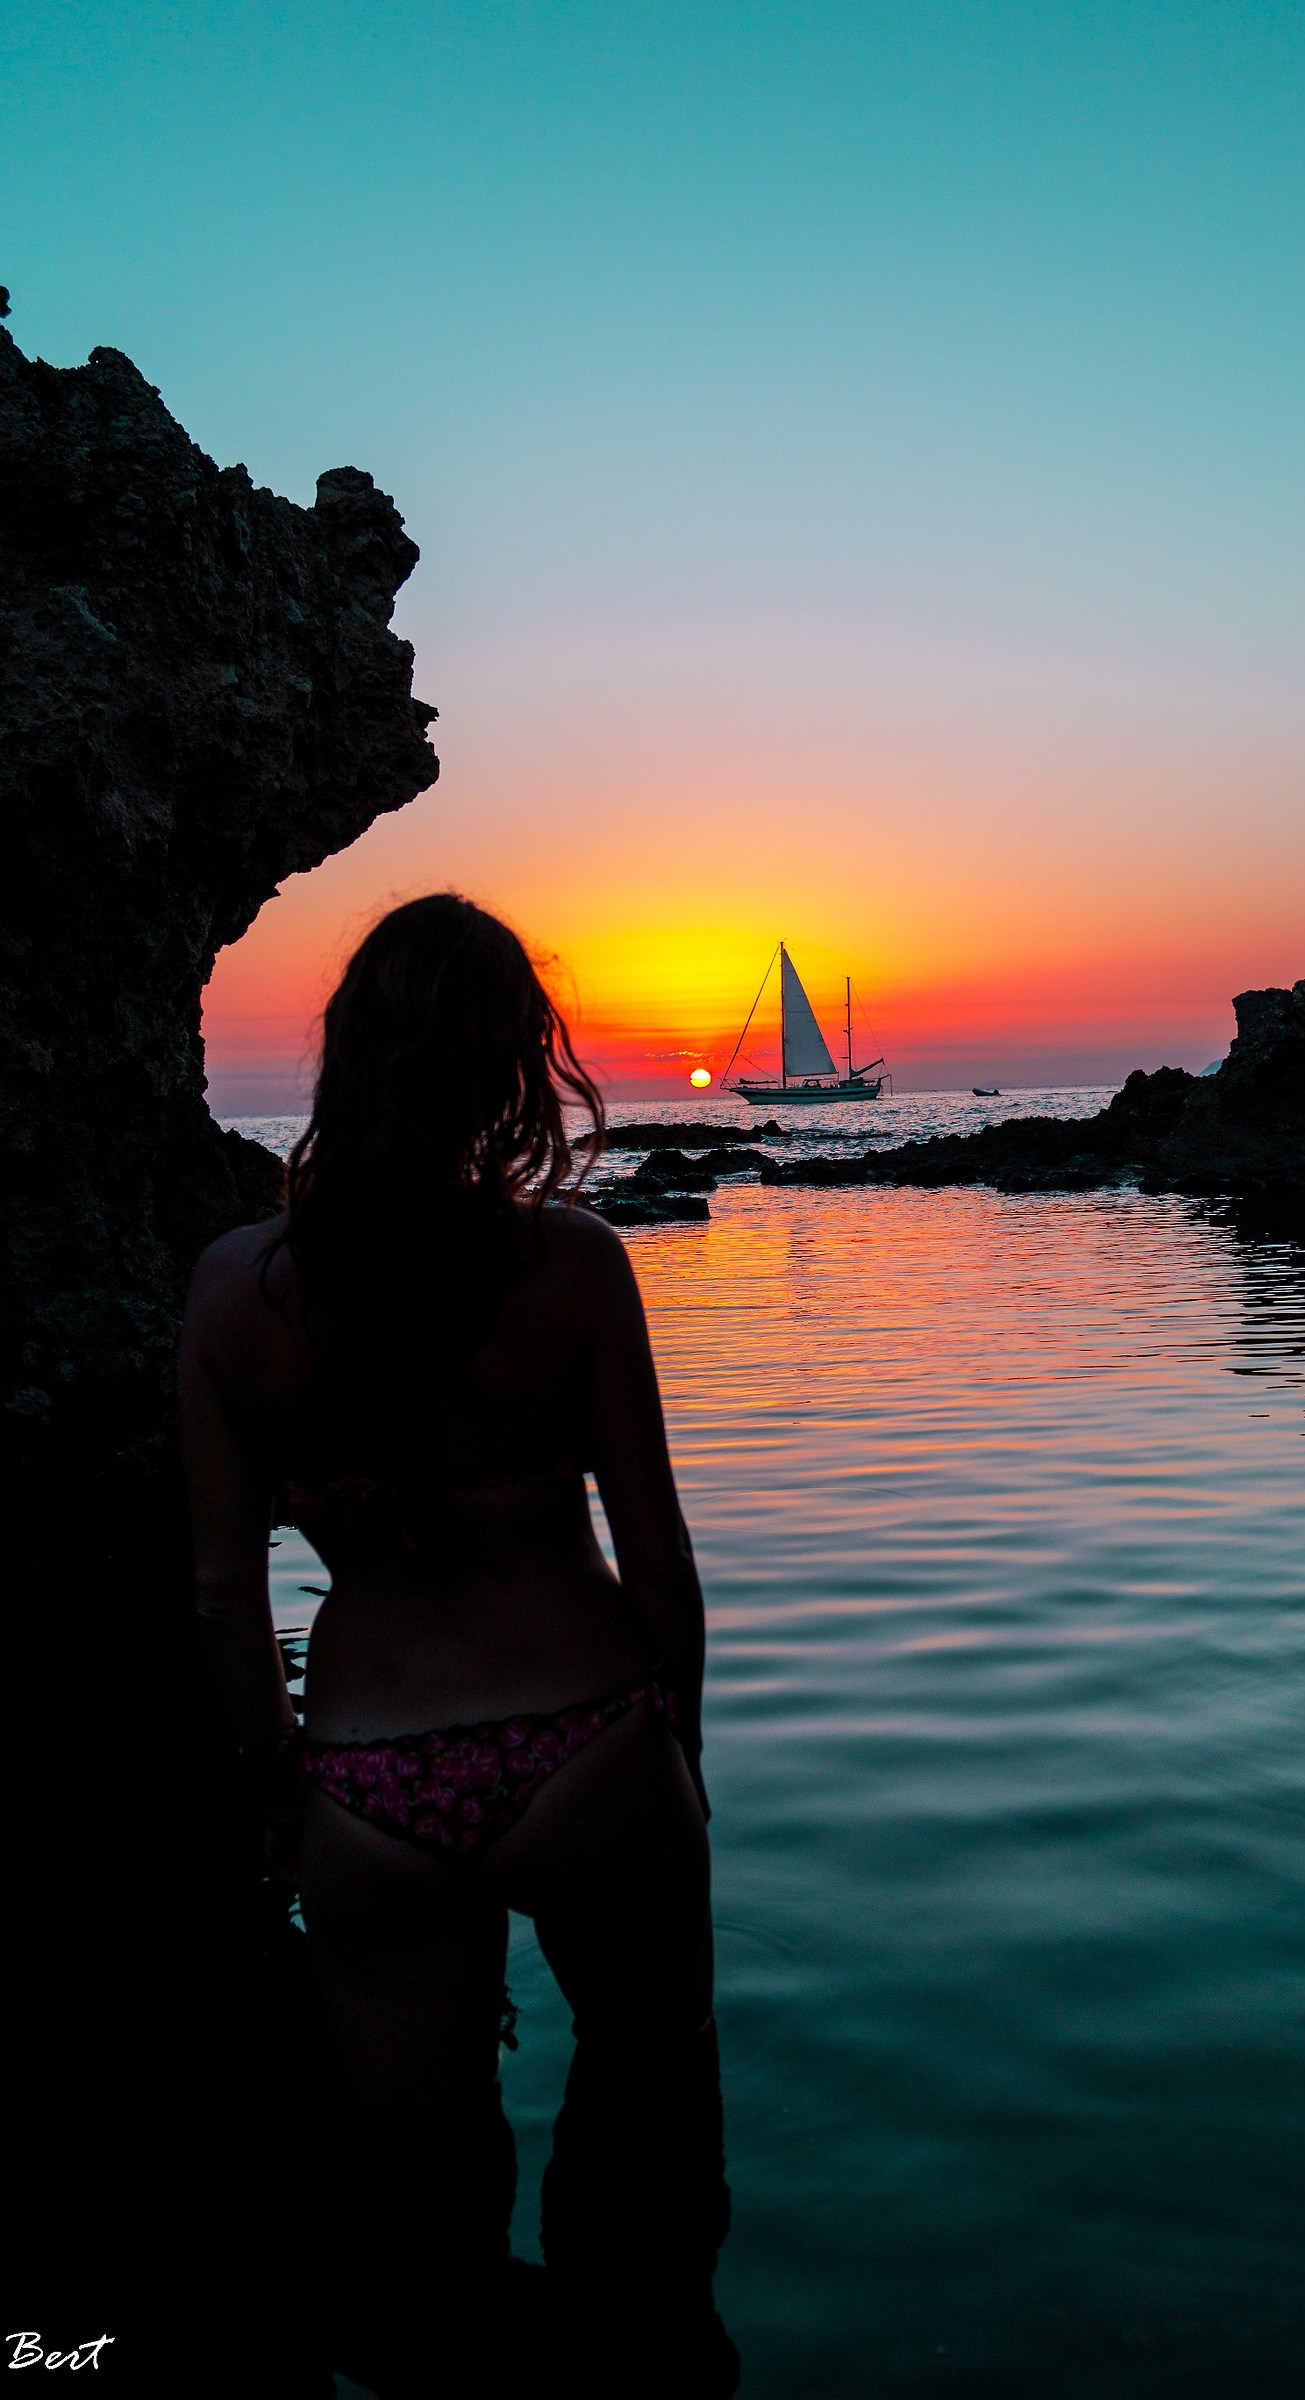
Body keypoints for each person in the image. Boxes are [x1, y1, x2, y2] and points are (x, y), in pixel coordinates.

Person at [179, 895, 734, 2394]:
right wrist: (676, 1749)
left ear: (348, 1056)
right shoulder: (569, 1268)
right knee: (649, 2130)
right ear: (510, 1065)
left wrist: (282, 1791)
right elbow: (657, 1553)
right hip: (586, 1740)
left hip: (367, 1780)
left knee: (422, 2201)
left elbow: (226, 1597)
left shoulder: (236, 1289)